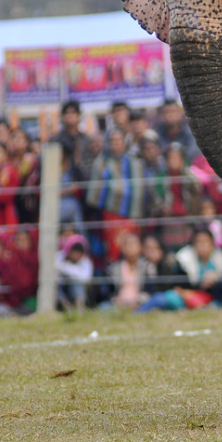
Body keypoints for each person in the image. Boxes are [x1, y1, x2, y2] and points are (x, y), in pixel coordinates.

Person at [87, 128, 144, 263]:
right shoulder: (101, 162)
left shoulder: (134, 163)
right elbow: (96, 193)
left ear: (125, 142)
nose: (116, 143)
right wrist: (117, 192)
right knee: (114, 247)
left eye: (119, 140)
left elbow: (139, 189)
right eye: (113, 140)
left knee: (131, 245)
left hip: (132, 214)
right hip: (110, 213)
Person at [104, 232, 153, 310]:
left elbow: (150, 290)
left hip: (141, 305)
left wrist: (138, 301)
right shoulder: (114, 268)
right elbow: (109, 291)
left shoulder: (147, 267)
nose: (130, 247)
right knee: (103, 307)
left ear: (140, 247)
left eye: (133, 244)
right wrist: (116, 301)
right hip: (118, 304)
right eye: (127, 244)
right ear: (122, 248)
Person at [52, 100, 95, 181]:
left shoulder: (86, 139)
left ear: (79, 116)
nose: (70, 116)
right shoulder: (55, 139)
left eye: (73, 113)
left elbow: (89, 163)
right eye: (66, 113)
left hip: (83, 180)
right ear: (62, 117)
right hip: (60, 179)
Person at [8, 127, 40, 223]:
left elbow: (20, 178)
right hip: (9, 199)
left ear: (26, 143)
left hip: (27, 202)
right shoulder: (5, 159)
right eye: (13, 138)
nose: (16, 141)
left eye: (20, 138)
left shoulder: (30, 159)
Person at [55, 233, 93, 312]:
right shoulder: (60, 256)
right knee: (56, 288)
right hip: (62, 289)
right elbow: (54, 266)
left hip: (77, 291)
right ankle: (68, 309)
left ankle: (79, 311)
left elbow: (85, 278)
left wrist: (66, 269)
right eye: (74, 252)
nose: (76, 255)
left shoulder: (86, 262)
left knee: (77, 285)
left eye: (79, 253)